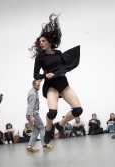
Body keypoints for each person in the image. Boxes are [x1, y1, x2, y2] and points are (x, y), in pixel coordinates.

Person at [30, 13, 82, 143]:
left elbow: (64, 66)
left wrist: (61, 71)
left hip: (63, 82)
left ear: (49, 42)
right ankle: (48, 130)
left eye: (43, 41)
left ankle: (60, 124)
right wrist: (44, 75)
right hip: (51, 85)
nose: (41, 43)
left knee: (78, 110)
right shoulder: (40, 57)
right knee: (52, 112)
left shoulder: (58, 53)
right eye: (40, 42)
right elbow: (35, 75)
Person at [26, 80, 53, 152]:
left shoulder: (32, 91)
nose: (39, 87)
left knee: (35, 130)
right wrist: (31, 116)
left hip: (30, 114)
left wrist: (42, 78)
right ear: (33, 85)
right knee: (42, 127)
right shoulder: (33, 94)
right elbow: (30, 106)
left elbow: (37, 81)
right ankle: (45, 145)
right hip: (33, 114)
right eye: (38, 85)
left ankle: (30, 146)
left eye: (39, 85)